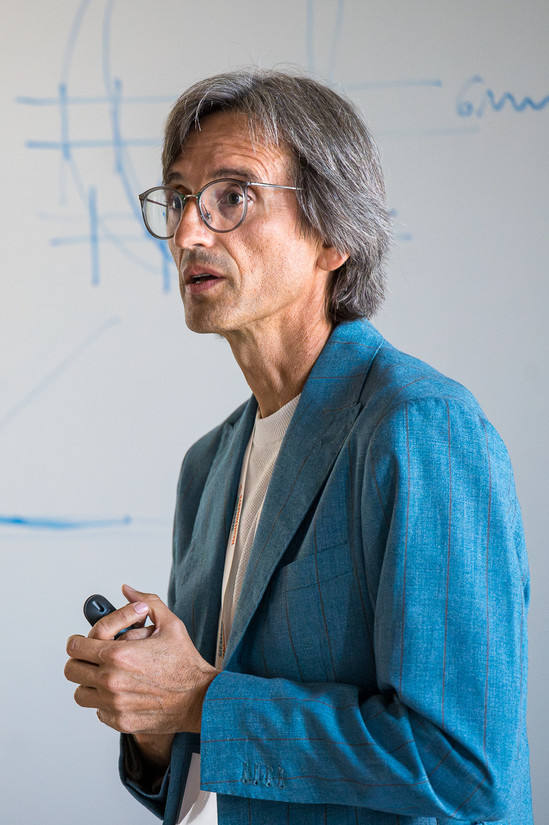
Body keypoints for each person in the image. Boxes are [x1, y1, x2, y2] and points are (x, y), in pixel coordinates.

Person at [65, 68, 533, 825]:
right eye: (179, 198)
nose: (187, 234)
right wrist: (154, 722)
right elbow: (222, 768)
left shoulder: (420, 426)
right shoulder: (207, 465)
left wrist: (197, 699)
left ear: (334, 235)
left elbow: (462, 766)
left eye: (232, 196)